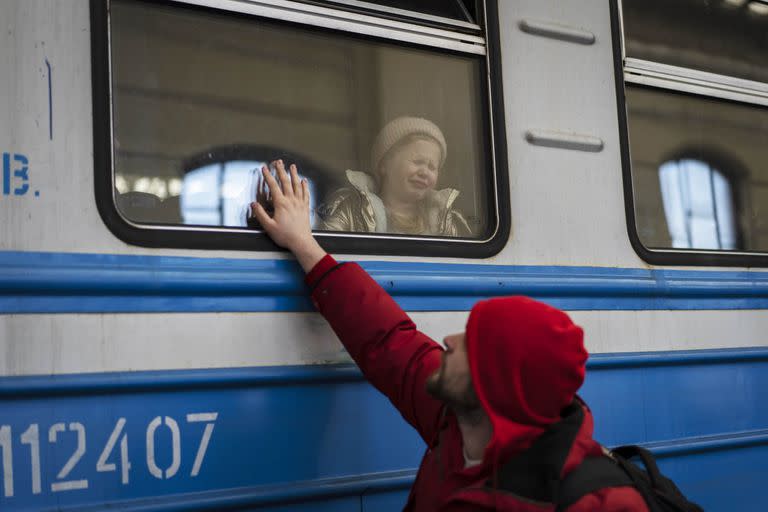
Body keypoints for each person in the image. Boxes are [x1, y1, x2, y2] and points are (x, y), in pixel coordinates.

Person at [251, 160, 648, 511]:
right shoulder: (459, 421)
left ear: (496, 382)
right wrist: (303, 243)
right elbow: (387, 339)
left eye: (471, 344)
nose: (448, 342)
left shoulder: (597, 501)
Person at [316, 117, 472, 237]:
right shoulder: (352, 209)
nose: (425, 172)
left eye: (432, 167)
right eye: (417, 162)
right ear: (384, 165)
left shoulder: (443, 220)